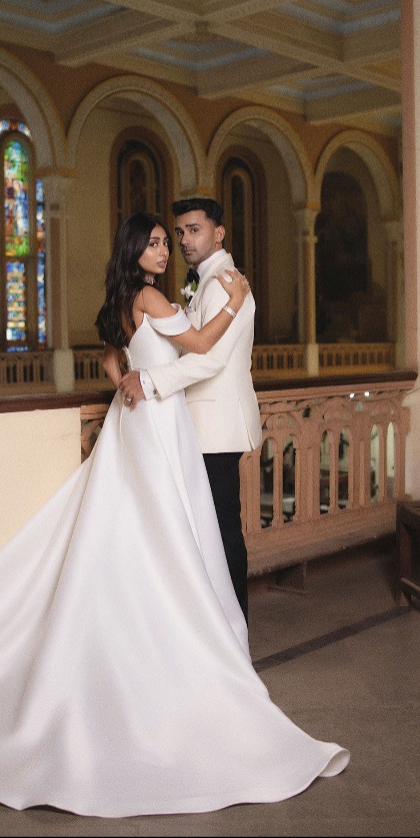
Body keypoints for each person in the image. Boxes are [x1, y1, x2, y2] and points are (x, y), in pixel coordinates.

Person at [0, 212, 349, 819]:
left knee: (136, 525)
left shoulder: (123, 300)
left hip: (136, 420)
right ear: (134, 251)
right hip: (160, 422)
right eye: (153, 244)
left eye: (167, 242)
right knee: (168, 526)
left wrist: (129, 382)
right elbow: (200, 347)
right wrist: (234, 305)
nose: (164, 251)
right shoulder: (150, 296)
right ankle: (179, 643)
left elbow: (108, 363)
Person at [120, 197, 260, 621]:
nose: (183, 240)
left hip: (215, 425)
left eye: (193, 230)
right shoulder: (206, 282)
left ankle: (234, 632)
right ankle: (211, 627)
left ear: (219, 233)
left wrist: (150, 380)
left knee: (222, 532)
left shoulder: (225, 284)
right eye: (179, 232)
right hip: (196, 425)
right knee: (202, 536)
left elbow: (210, 360)